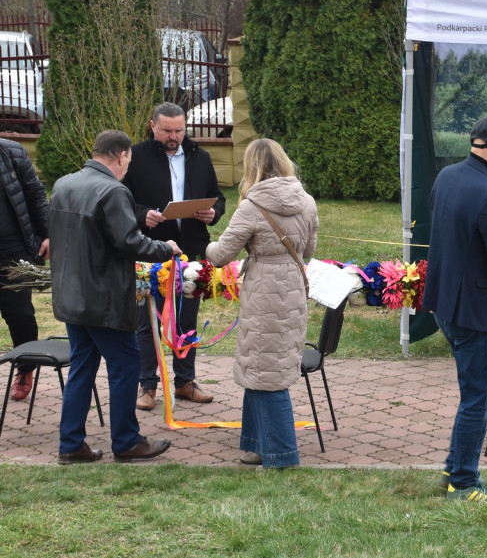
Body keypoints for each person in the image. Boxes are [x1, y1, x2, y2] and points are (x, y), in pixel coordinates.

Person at [49, 130, 179, 464]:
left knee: (82, 365)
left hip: (71, 294)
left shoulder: (64, 183)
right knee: (125, 365)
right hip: (102, 298)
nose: (126, 167)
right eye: (127, 162)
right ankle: (126, 441)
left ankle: (71, 443)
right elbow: (130, 242)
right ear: (121, 155)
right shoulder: (113, 190)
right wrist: (166, 248)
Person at [422, 115, 487, 502]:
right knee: (478, 397)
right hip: (474, 308)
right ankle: (463, 482)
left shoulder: (447, 176)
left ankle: (454, 466)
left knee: (472, 392)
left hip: (444, 301)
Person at [205, 138, 318, 470]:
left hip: (264, 289)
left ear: (250, 168)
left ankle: (282, 456)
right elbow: (309, 250)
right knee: (262, 366)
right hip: (293, 288)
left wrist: (206, 245)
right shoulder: (307, 201)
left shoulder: (251, 206)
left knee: (267, 373)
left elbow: (223, 254)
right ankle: (256, 445)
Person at [123, 102, 226, 411]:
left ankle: (185, 382)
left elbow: (218, 197)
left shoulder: (199, 156)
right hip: (150, 250)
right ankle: (148, 386)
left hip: (191, 250)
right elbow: (122, 199)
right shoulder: (135, 157)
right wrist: (144, 215)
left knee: (186, 319)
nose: (174, 136)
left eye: (179, 130)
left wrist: (213, 212)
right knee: (147, 323)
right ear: (153, 126)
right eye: (167, 130)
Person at [0, 138, 49, 402]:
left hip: (13, 252)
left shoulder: (12, 152)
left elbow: (36, 194)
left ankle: (25, 368)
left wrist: (48, 234)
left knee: (19, 314)